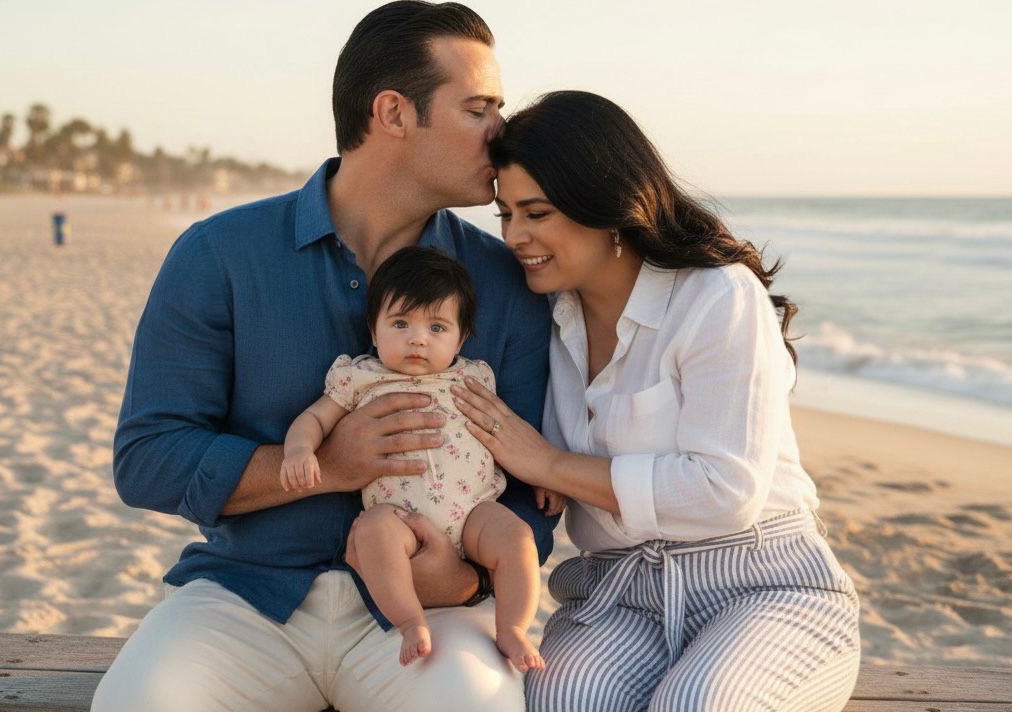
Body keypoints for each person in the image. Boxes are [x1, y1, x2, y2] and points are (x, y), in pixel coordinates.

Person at [91, 4, 556, 711]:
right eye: (478, 109)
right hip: (246, 599)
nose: (504, 130)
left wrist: (461, 583)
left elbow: (532, 496)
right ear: (394, 113)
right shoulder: (219, 255)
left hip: (431, 614)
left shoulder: (505, 281)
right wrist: (323, 467)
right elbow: (148, 457)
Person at [451, 90, 862, 711]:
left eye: (536, 213)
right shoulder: (542, 317)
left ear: (605, 206)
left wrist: (554, 466)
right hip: (620, 595)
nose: (515, 237)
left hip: (765, 586)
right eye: (505, 214)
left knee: (697, 703)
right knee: (558, 698)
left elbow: (724, 490)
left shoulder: (716, 296)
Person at [281, 246, 561, 670]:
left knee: (517, 537)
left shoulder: (473, 376)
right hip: (399, 517)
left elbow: (507, 434)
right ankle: (411, 620)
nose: (417, 338)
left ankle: (513, 628)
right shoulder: (361, 376)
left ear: (461, 338)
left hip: (473, 514)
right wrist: (300, 449)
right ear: (373, 332)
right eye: (400, 323)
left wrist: (539, 473)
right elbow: (314, 419)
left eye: (436, 327)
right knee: (374, 532)